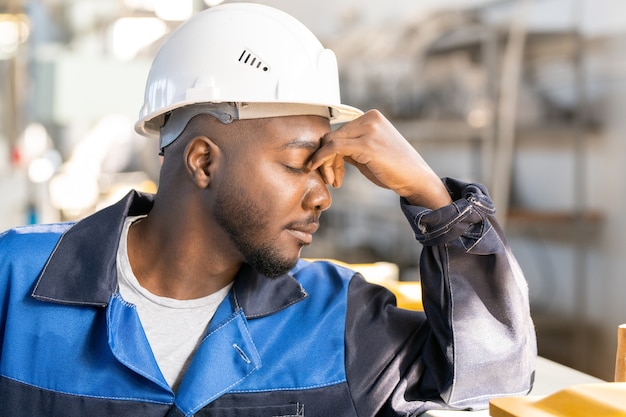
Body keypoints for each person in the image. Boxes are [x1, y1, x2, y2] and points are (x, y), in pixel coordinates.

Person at [0, 3, 536, 416]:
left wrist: (433, 199)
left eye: (329, 169)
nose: (324, 193)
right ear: (203, 161)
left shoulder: (337, 321)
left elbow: (492, 381)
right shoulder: (18, 281)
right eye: (301, 162)